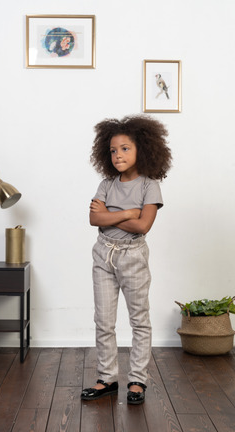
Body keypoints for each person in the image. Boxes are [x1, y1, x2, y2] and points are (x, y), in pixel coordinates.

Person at [81, 115, 172, 405]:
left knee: (139, 320)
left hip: (133, 256)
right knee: (104, 320)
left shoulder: (149, 186)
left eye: (125, 148)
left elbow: (143, 226)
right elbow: (95, 218)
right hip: (103, 254)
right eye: (112, 150)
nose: (118, 155)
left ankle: (137, 380)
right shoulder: (107, 184)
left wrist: (112, 214)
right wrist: (128, 212)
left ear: (141, 150)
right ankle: (106, 378)